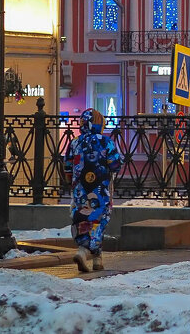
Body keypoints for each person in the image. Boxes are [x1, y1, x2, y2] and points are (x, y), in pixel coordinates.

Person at [69, 108, 122, 272]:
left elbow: (66, 166)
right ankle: (84, 251)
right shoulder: (106, 142)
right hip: (100, 191)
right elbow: (115, 164)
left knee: (82, 220)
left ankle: (97, 260)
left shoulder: (75, 142)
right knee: (99, 221)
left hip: (79, 191)